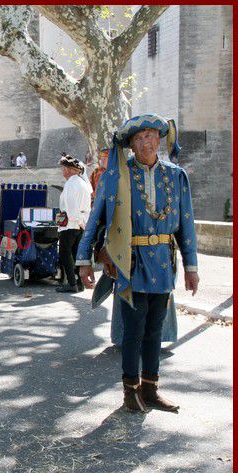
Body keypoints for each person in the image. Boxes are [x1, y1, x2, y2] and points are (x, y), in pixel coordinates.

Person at [77, 114, 199, 413]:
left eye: (151, 136)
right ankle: (130, 392)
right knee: (133, 331)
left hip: (162, 265)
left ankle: (151, 390)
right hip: (129, 264)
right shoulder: (115, 176)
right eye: (139, 138)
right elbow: (95, 221)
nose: (146, 142)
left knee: (155, 332)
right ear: (131, 145)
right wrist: (83, 261)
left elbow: (186, 224)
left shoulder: (176, 176)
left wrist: (192, 267)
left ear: (160, 139)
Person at [56, 154, 92, 292]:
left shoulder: (71, 184)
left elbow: (72, 209)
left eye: (64, 169)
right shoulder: (83, 184)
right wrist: (83, 223)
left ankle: (72, 284)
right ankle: (78, 282)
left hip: (70, 224)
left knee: (65, 254)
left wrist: (78, 221)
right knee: (77, 254)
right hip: (80, 224)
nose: (63, 171)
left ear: (70, 170)